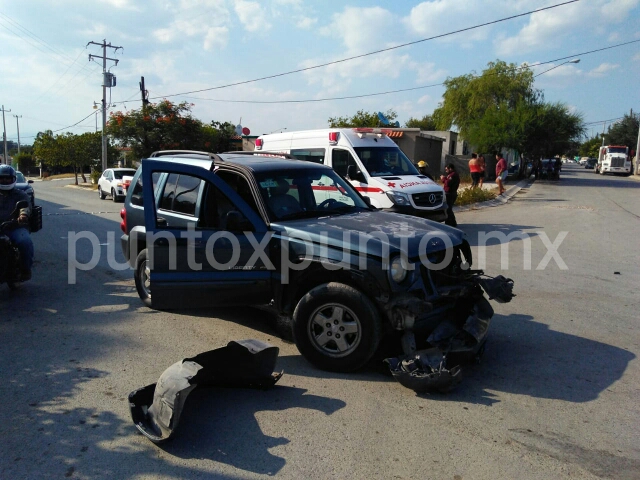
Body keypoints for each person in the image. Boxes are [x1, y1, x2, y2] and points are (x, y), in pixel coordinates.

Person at [0, 165, 34, 280]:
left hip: (15, 226)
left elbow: (25, 206)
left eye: (8, 178)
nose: (5, 180)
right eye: (2, 178)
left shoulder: (20, 194)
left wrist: (23, 215)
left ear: (13, 179)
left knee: (25, 242)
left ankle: (25, 269)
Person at [440, 163, 460, 227]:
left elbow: (448, 183)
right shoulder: (450, 175)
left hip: (450, 194)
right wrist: (445, 178)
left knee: (448, 209)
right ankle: (452, 222)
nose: (446, 171)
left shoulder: (453, 175)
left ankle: (450, 223)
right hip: (450, 193)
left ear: (450, 168)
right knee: (449, 209)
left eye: (446, 169)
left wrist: (443, 179)